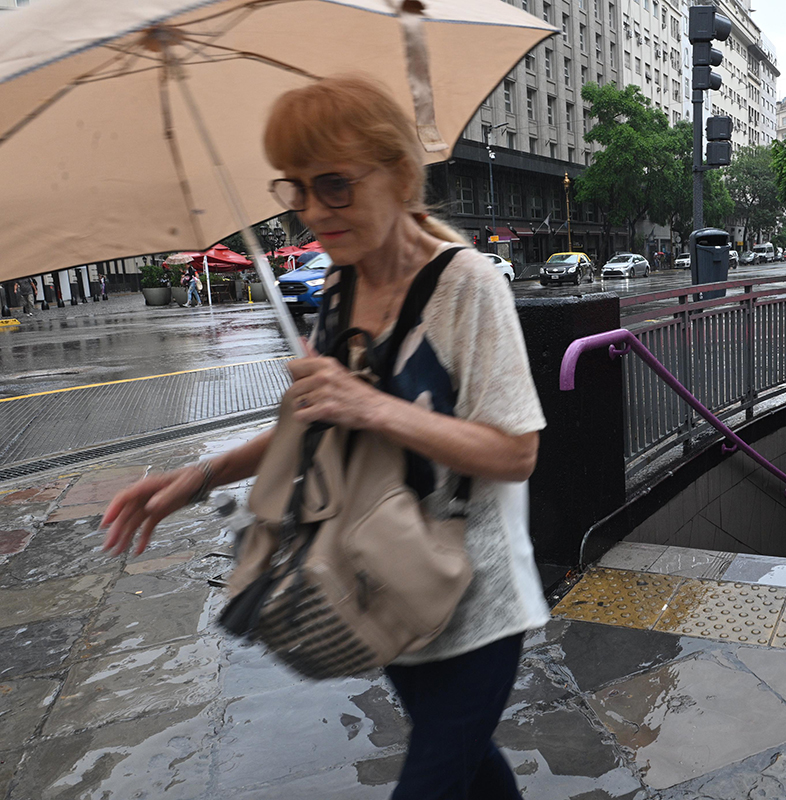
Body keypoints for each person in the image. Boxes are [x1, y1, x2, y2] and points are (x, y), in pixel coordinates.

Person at [100, 74, 547, 800]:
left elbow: (516, 451)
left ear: (400, 174)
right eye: (297, 188)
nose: (312, 210)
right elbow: (307, 426)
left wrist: (371, 408)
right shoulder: (338, 287)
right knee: (470, 767)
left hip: (474, 597)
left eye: (334, 184)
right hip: (379, 584)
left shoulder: (467, 284)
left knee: (434, 777)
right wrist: (197, 479)